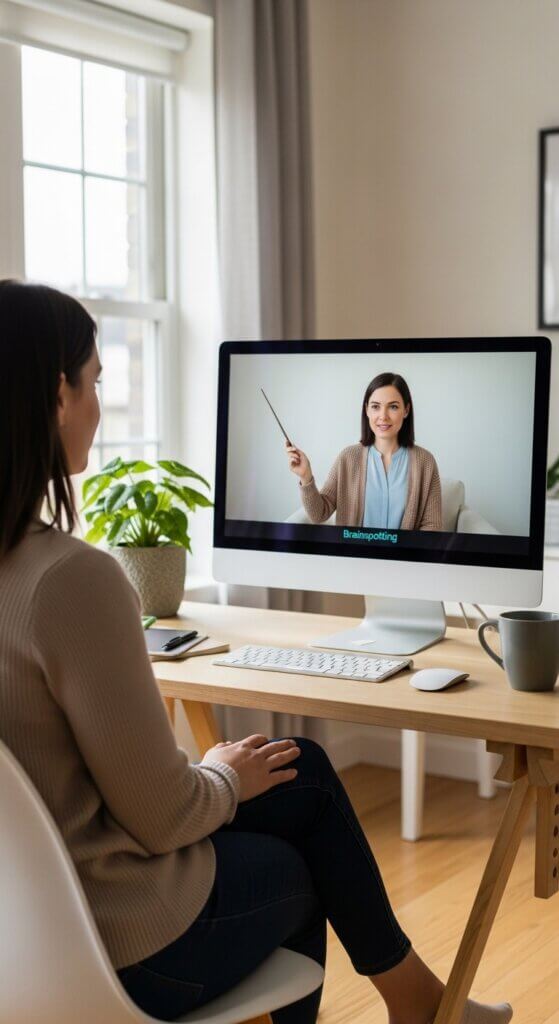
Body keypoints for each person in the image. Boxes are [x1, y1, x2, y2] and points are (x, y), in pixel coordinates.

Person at [0, 280, 510, 1024]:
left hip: (20, 934)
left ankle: (423, 1007)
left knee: (299, 771)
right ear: (56, 396)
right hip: (118, 944)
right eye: (96, 383)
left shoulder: (30, 573)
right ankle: (425, 1010)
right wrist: (218, 776)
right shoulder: (71, 580)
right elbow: (164, 817)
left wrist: (223, 777)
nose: (100, 405)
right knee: (300, 866)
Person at [286, 372, 443, 531]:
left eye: (393, 407)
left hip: (402, 556)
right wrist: (306, 476)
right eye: (375, 407)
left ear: (406, 410)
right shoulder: (348, 457)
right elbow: (319, 514)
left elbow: (432, 526)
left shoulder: (425, 462)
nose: (383, 416)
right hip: (354, 554)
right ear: (367, 410)